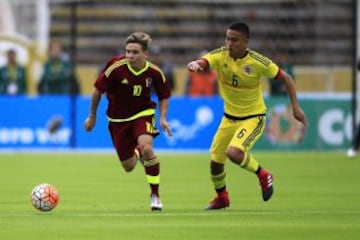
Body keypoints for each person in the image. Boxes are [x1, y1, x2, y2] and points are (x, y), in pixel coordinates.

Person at [187, 21, 308, 210]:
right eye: (227, 39)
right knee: (215, 164)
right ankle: (222, 198)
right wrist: (197, 64)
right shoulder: (221, 55)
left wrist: (295, 107)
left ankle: (263, 174)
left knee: (234, 152)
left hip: (253, 118)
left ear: (246, 42)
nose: (229, 44)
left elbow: (286, 78)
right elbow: (206, 61)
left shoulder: (258, 62)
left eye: (234, 40)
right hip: (229, 118)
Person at [84, 32, 172, 211]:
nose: (130, 56)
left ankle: (155, 195)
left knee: (147, 147)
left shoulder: (154, 72)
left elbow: (164, 95)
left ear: (145, 54)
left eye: (135, 52)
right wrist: (92, 116)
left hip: (143, 113)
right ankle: (138, 153)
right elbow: (96, 91)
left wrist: (162, 117)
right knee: (129, 166)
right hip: (117, 119)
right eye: (128, 51)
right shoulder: (116, 68)